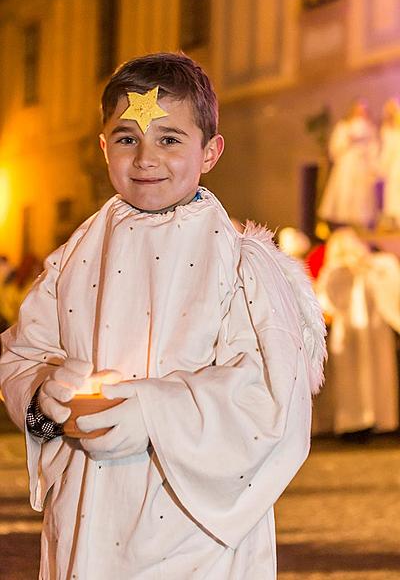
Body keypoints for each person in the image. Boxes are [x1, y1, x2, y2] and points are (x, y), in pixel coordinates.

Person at [0, 53, 326, 579]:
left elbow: (270, 394)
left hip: (191, 531)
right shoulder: (73, 257)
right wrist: (41, 394)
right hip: (88, 514)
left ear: (211, 151)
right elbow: (22, 351)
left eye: (169, 139)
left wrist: (154, 412)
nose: (146, 158)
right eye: (127, 138)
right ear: (103, 146)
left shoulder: (240, 264)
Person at [313, 228, 398, 437]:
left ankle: (362, 421)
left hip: (354, 334)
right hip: (368, 335)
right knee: (370, 376)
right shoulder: (370, 268)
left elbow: (326, 303)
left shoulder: (363, 269)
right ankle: (371, 420)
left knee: (357, 378)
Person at [318, 99, 379, 228]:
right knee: (345, 193)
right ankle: (344, 225)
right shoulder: (344, 126)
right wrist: (349, 140)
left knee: (361, 197)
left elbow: (374, 148)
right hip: (346, 166)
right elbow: (335, 148)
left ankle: (361, 224)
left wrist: (371, 162)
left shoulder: (370, 128)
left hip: (362, 165)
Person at [378, 98, 400, 229]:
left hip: (397, 162)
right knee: (394, 191)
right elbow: (386, 151)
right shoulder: (386, 129)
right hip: (393, 165)